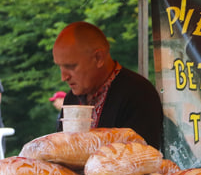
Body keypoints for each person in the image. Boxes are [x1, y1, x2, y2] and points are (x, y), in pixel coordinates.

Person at [52, 21, 164, 150]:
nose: (63, 77)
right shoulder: (72, 99)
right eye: (60, 66)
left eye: (71, 66)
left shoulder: (139, 93)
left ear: (98, 58)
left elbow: (143, 157)